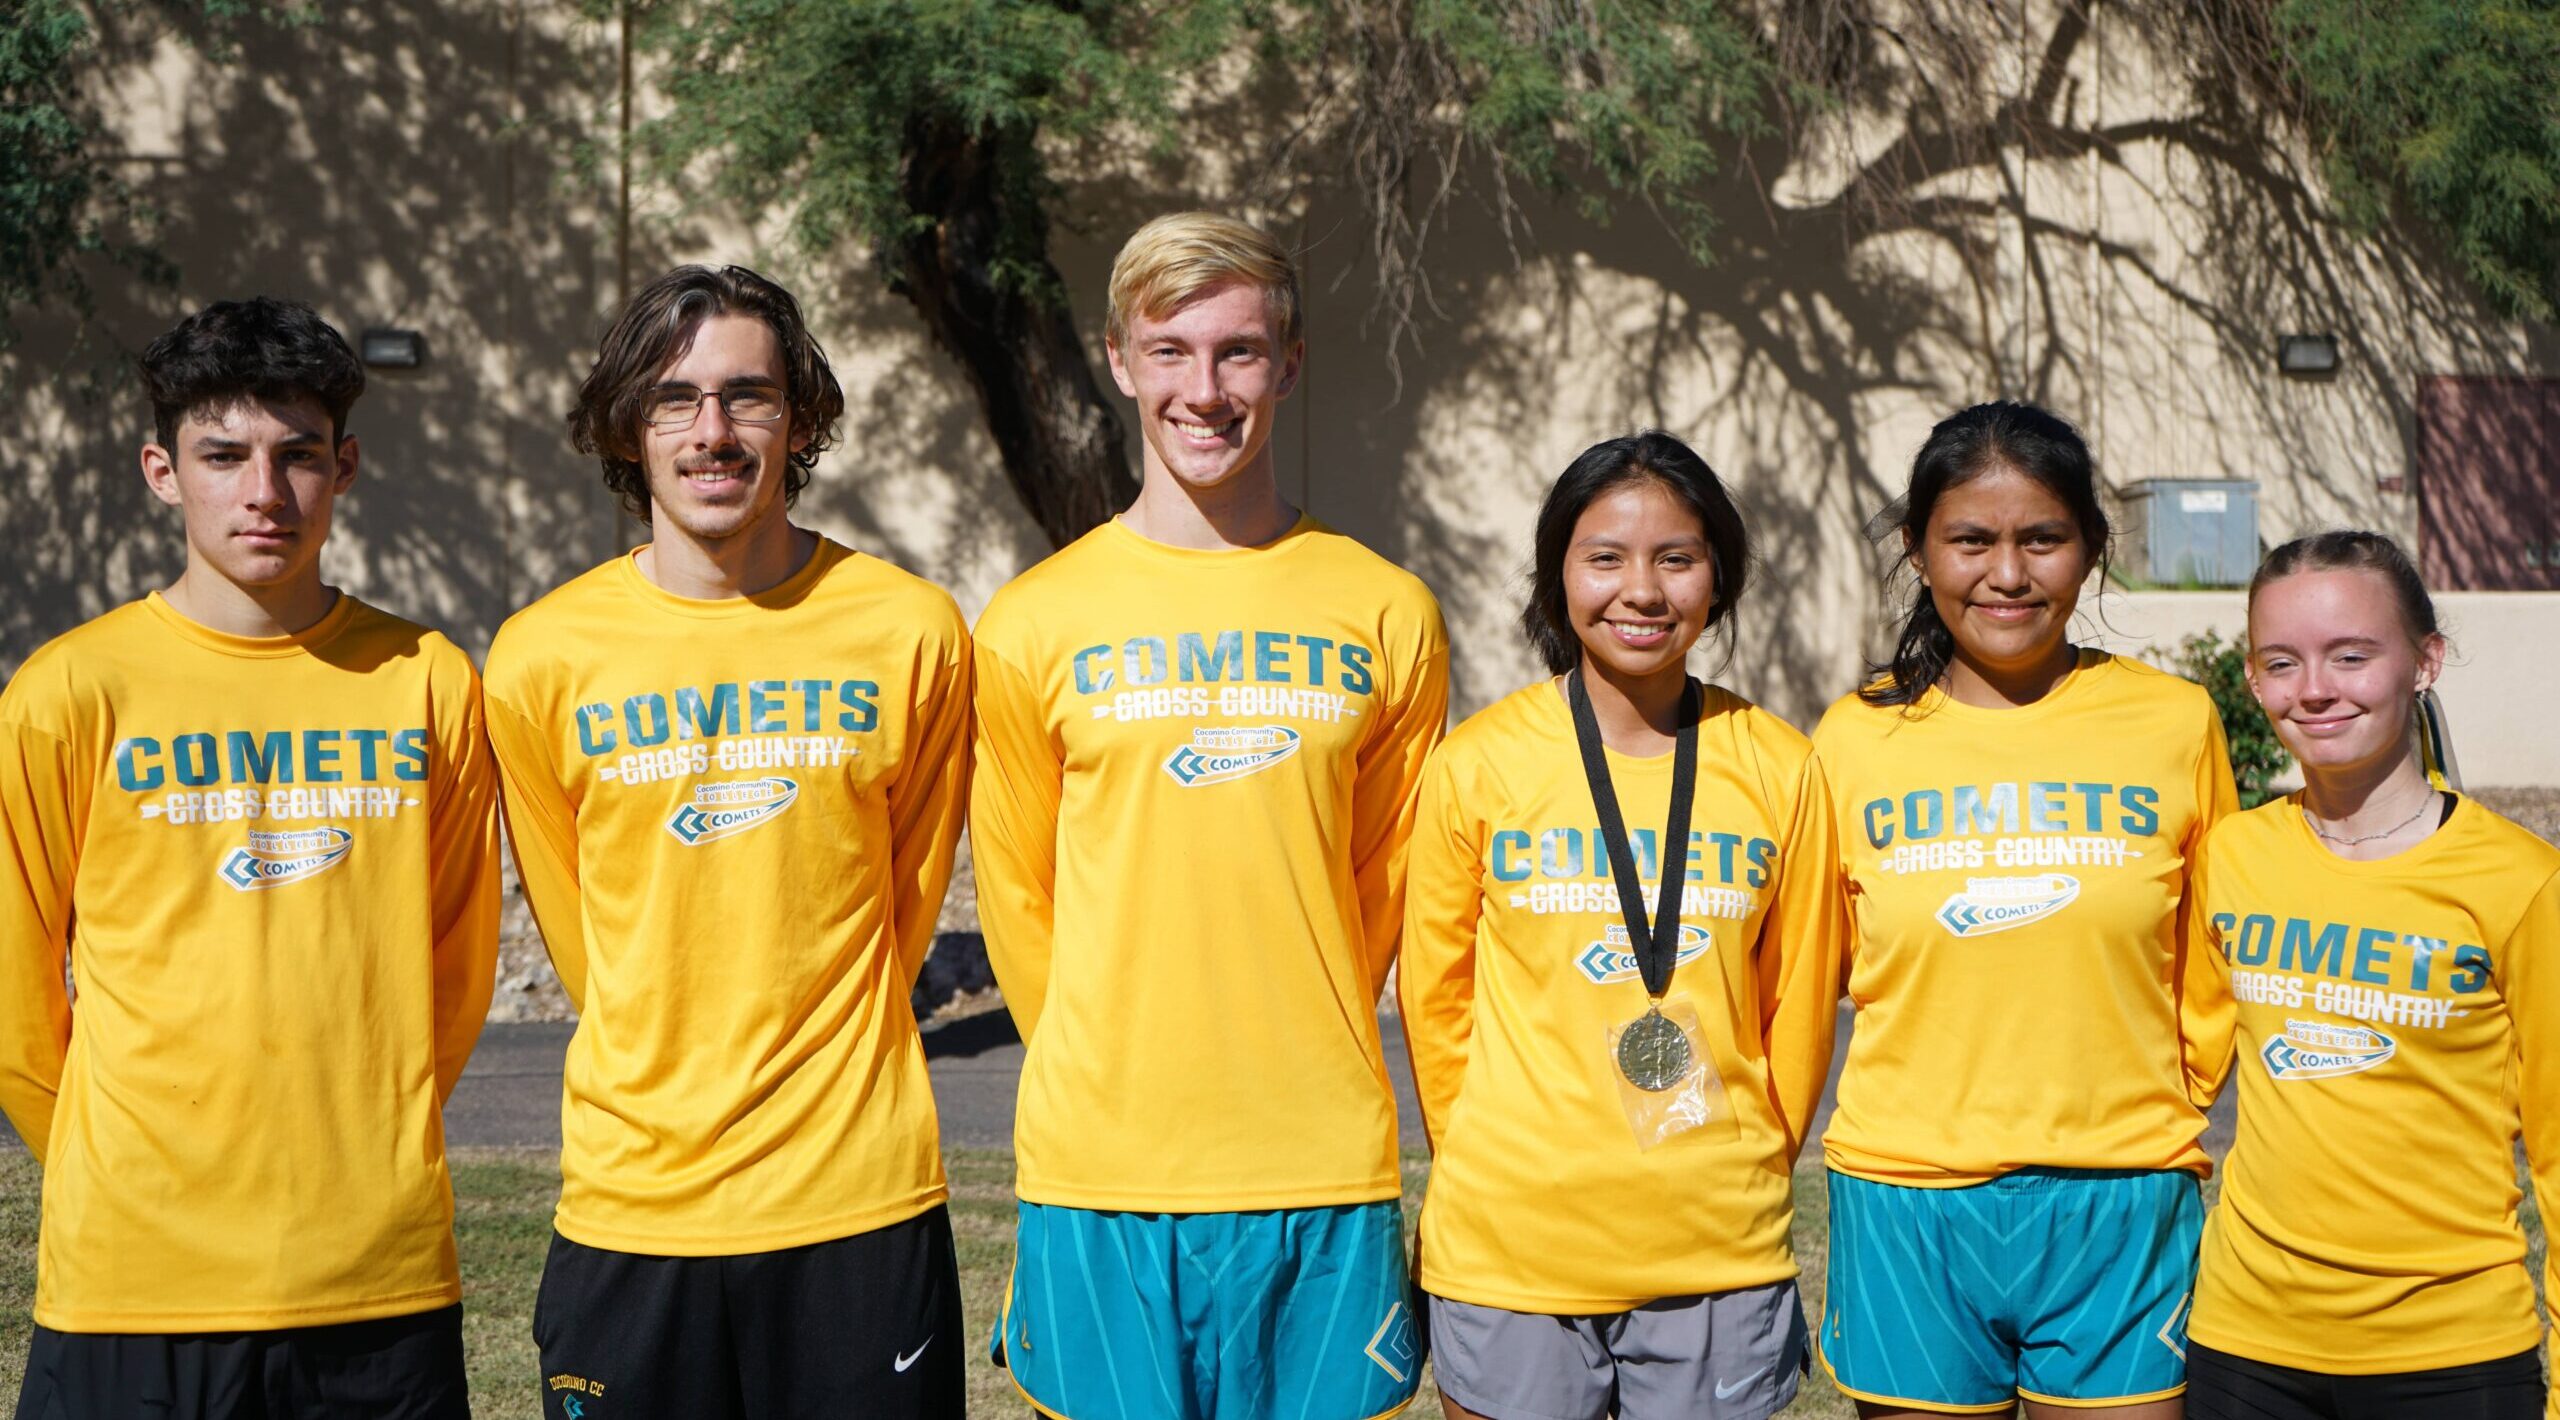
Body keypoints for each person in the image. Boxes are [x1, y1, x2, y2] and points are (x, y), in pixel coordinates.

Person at [970, 211, 1449, 1420]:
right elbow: (1018, 892)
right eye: (1170, 351)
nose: (1206, 388)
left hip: (1318, 1155)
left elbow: (1389, 883)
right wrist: (1105, 1064)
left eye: (1238, 352)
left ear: (1287, 366)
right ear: (1122, 362)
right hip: (1103, 1165)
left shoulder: (1384, 611)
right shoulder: (1034, 620)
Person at [482, 265, 972, 1419]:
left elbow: (902, 913)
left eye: (747, 395)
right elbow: (581, 935)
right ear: (626, 425)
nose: (712, 431)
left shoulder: (910, 631)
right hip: (633, 1206)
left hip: (857, 1198)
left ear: (797, 417)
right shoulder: (541, 657)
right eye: (672, 398)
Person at [0, 297, 499, 1419]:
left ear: (346, 466)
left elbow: (457, 970)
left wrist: (362, 1139)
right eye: (223, 455)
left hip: (373, 1272)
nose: (263, 493)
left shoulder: (426, 678)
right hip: (132, 1280)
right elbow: (16, 1009)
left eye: (297, 456)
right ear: (161, 469)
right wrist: (122, 1171)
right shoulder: (69, 692)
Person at [1398, 431, 1845, 1420]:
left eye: (1674, 558)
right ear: (1558, 571)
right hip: (1512, 1246)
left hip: (1713, 1244)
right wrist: (1485, 1152)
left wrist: (1744, 1159)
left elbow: (1802, 998)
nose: (1640, 589)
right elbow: (1435, 1002)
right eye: (1604, 556)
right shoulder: (1477, 766)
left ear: (1716, 578)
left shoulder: (1777, 766)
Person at [1808, 401, 2235, 1418]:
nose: (2006, 572)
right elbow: (1813, 964)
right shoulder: (1852, 739)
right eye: (1971, 539)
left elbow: (2214, 951)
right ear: (1918, 550)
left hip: (2120, 1190)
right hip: (1907, 1194)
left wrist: (2171, 1103)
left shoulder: (2173, 722)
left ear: (2088, 548)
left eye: (2040, 537)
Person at [2184, 531, 2553, 1420]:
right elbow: (2177, 1066)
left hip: (2456, 1348)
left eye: (2352, 656)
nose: (2314, 689)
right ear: (2252, 679)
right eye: (2283, 662)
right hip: (2245, 1343)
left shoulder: (2521, 881)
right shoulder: (2231, 856)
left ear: (2425, 661)